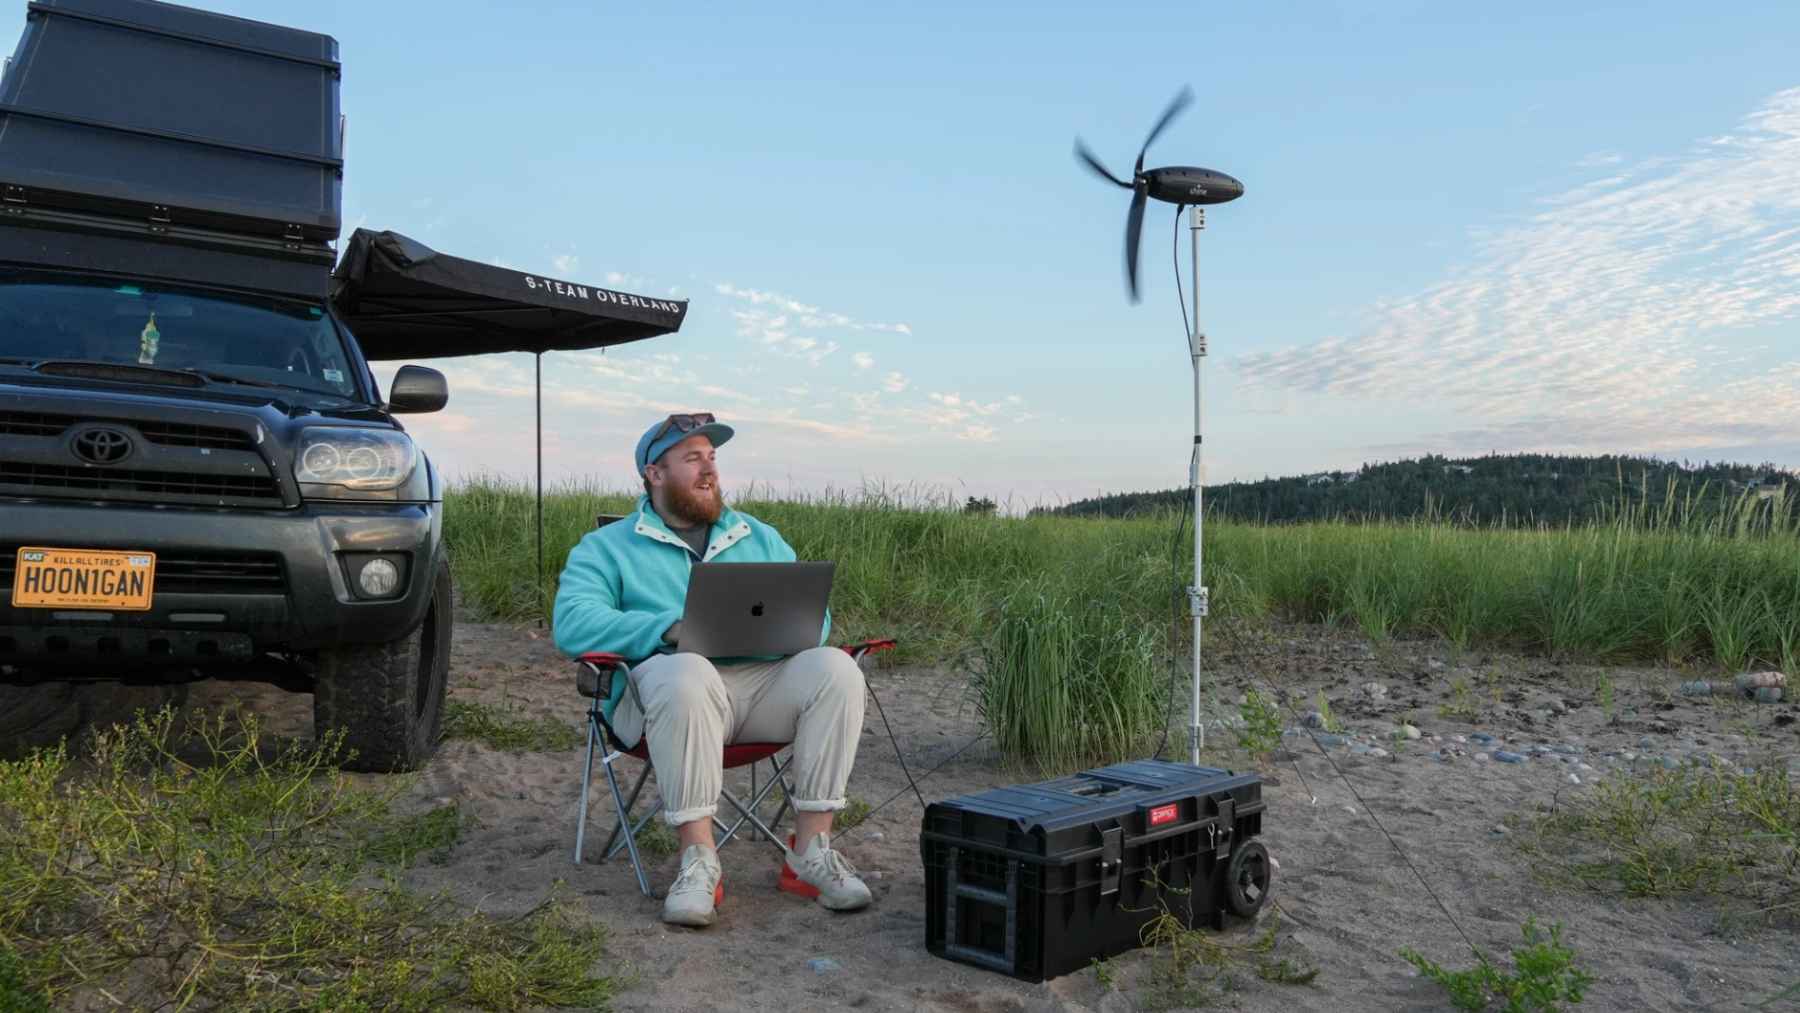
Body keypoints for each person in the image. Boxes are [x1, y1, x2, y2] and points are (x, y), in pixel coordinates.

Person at [553, 412, 873, 927]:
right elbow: (572, 623)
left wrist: (793, 627)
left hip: (758, 692)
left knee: (835, 668)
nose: (709, 470)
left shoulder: (757, 536)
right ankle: (699, 862)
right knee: (688, 672)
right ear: (655, 474)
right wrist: (667, 629)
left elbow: (817, 620)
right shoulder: (607, 548)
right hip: (660, 698)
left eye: (713, 458)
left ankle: (811, 852)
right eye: (692, 458)